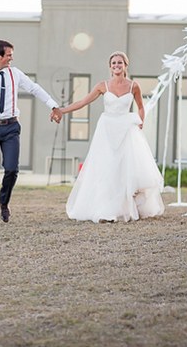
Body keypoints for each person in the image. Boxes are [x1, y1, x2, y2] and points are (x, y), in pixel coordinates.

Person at [57, 51, 164, 223]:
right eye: (113, 63)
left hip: (127, 130)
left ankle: (126, 206)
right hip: (107, 130)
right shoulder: (102, 86)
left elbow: (141, 107)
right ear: (110, 67)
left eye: (119, 63)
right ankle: (106, 209)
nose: (116, 65)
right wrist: (61, 110)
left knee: (125, 169)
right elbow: (83, 102)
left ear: (125, 65)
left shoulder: (133, 86)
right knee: (107, 168)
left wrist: (141, 121)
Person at [0, 39, 63, 227]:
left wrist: (53, 105)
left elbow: (34, 88)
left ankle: (4, 202)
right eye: (9, 54)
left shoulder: (15, 73)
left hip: (10, 127)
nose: (12, 58)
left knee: (12, 169)